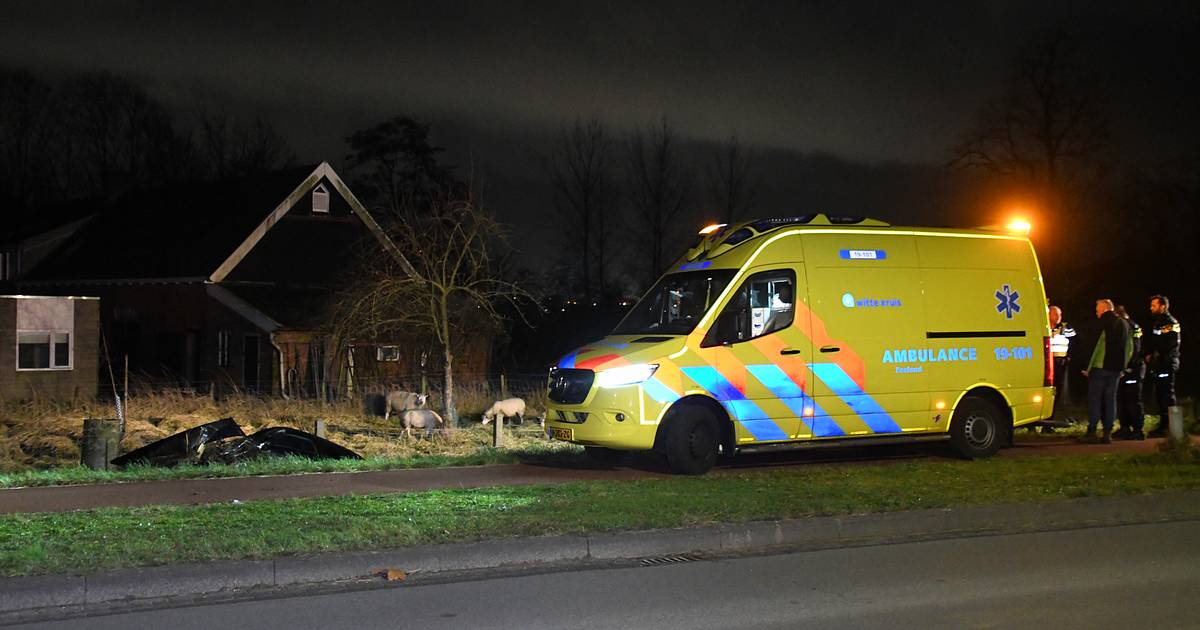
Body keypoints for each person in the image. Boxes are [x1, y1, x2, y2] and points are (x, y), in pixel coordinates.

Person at [1082, 299, 1132, 444]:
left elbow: (1096, 347)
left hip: (1100, 368)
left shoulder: (1101, 324)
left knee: (1095, 400)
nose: (1096, 313)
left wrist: (1088, 367)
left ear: (1104, 309)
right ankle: (1107, 433)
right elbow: (1129, 347)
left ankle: (1092, 430)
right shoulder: (1123, 323)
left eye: (1097, 310)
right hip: (1116, 370)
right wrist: (1123, 366)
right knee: (1110, 400)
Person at [1144, 294, 1182, 437]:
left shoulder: (1170, 323)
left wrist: (1159, 355)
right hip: (1159, 363)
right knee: (1160, 395)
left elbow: (1170, 344)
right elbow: (1154, 341)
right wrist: (1150, 354)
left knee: (1168, 395)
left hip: (1167, 363)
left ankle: (1175, 429)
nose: (1151, 308)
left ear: (1163, 306)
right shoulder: (1158, 322)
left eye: (1154, 305)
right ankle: (1164, 426)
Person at [1112, 305, 1145, 440]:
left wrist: (1127, 366)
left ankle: (1138, 430)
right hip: (1124, 369)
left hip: (1133, 369)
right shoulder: (1126, 326)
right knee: (1122, 400)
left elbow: (1134, 349)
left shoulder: (1130, 327)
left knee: (1133, 400)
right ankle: (1125, 428)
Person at [1044, 305, 1076, 432]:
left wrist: (1070, 357)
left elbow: (1075, 341)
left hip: (1059, 364)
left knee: (1056, 393)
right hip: (1046, 362)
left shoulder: (1065, 328)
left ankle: (1049, 423)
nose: (1058, 317)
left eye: (1060, 315)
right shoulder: (1043, 326)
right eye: (1055, 314)